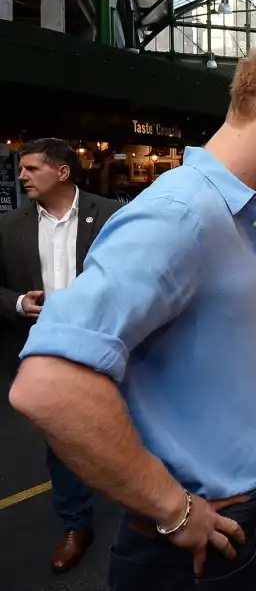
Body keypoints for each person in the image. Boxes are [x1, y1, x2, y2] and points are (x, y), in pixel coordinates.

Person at [9, 43, 256, 591]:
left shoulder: (233, 213)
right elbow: (47, 384)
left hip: (236, 523)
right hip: (197, 549)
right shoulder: (181, 215)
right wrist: (172, 508)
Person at [0, 138, 121, 574]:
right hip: (45, 354)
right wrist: (17, 303)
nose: (21, 175)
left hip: (108, 347)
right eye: (21, 168)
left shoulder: (111, 216)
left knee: (129, 431)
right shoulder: (8, 227)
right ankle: (77, 525)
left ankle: (147, 516)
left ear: (63, 172)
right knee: (62, 444)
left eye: (31, 168)